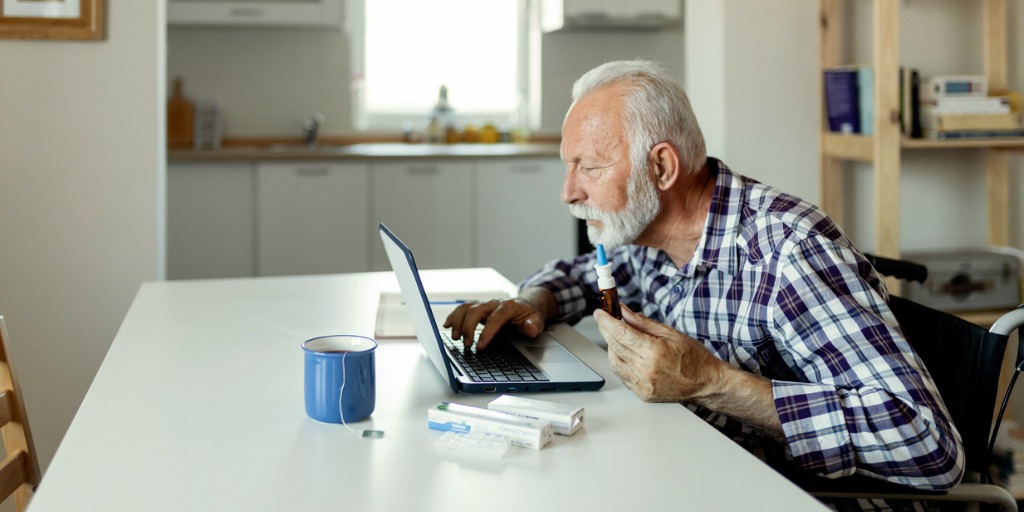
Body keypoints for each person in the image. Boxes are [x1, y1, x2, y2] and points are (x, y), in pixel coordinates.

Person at [443, 60, 963, 507]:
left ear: (662, 166)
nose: (568, 192)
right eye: (568, 167)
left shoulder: (787, 251)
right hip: (698, 473)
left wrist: (713, 382)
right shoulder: (652, 236)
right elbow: (587, 274)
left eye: (590, 168)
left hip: (804, 497)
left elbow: (928, 445)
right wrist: (532, 301)